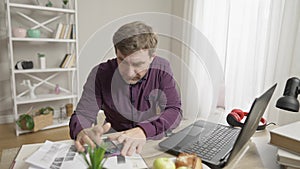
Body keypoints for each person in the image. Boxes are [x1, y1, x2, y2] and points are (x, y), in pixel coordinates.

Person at [69, 21, 182, 156]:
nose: (128, 73)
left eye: (138, 64)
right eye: (122, 60)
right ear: (116, 52)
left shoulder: (162, 68)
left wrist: (144, 131)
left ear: (152, 57)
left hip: (149, 137)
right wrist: (82, 131)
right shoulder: (100, 73)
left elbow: (174, 110)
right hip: (114, 139)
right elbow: (82, 114)